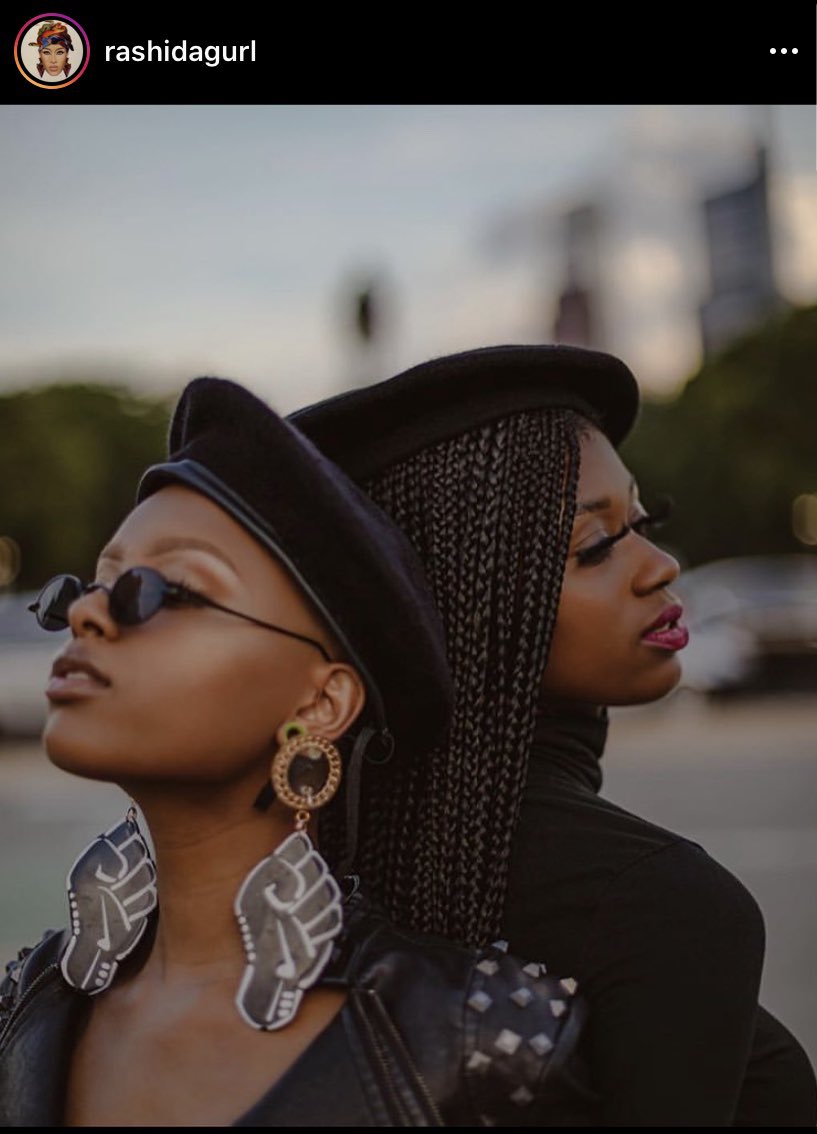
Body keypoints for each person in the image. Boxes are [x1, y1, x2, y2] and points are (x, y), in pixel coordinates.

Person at [0, 375, 591, 1127]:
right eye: (93, 584)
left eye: (161, 590)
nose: (86, 611)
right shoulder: (30, 1005)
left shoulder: (478, 1045)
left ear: (320, 702)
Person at [289, 343, 817, 1126]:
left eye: (644, 522)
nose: (662, 566)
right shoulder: (658, 905)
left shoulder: (298, 871)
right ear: (452, 599)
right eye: (594, 546)